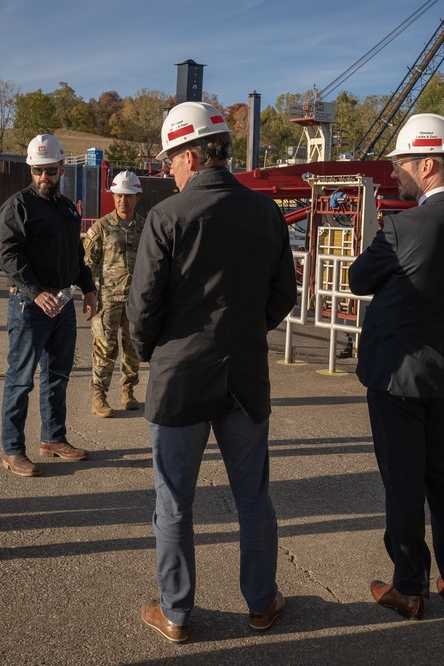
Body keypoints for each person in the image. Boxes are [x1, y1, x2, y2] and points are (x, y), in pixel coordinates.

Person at [127, 102, 296, 643]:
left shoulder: (167, 217)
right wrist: (245, 334)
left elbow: (142, 307)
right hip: (244, 377)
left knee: (173, 499)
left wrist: (154, 350)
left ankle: (176, 614)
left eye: (171, 159)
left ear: (193, 153)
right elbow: (283, 295)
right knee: (253, 495)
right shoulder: (266, 213)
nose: (169, 170)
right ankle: (262, 603)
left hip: (180, 378)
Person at [348, 113, 444, 619]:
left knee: (404, 481)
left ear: (429, 163)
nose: (396, 173)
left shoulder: (401, 226)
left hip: (398, 374)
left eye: (403, 163)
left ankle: (409, 587)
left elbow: (358, 279)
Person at [0, 134, 98, 477]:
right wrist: (35, 291)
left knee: (58, 375)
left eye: (51, 171)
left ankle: (54, 439)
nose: (45, 177)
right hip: (29, 305)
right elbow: (8, 254)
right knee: (20, 379)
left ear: (61, 169)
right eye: (39, 170)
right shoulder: (18, 206)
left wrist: (88, 288)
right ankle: (12, 449)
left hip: (63, 301)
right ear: (30, 168)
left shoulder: (67, 208)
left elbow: (77, 253)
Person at [84, 170, 145, 418]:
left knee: (132, 348)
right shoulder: (102, 227)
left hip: (136, 301)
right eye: (119, 195)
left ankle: (128, 392)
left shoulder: (146, 226)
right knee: (104, 348)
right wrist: (89, 294)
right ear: (113, 196)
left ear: (137, 197)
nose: (123, 200)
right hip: (108, 301)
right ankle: (99, 396)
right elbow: (87, 264)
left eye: (128, 196)